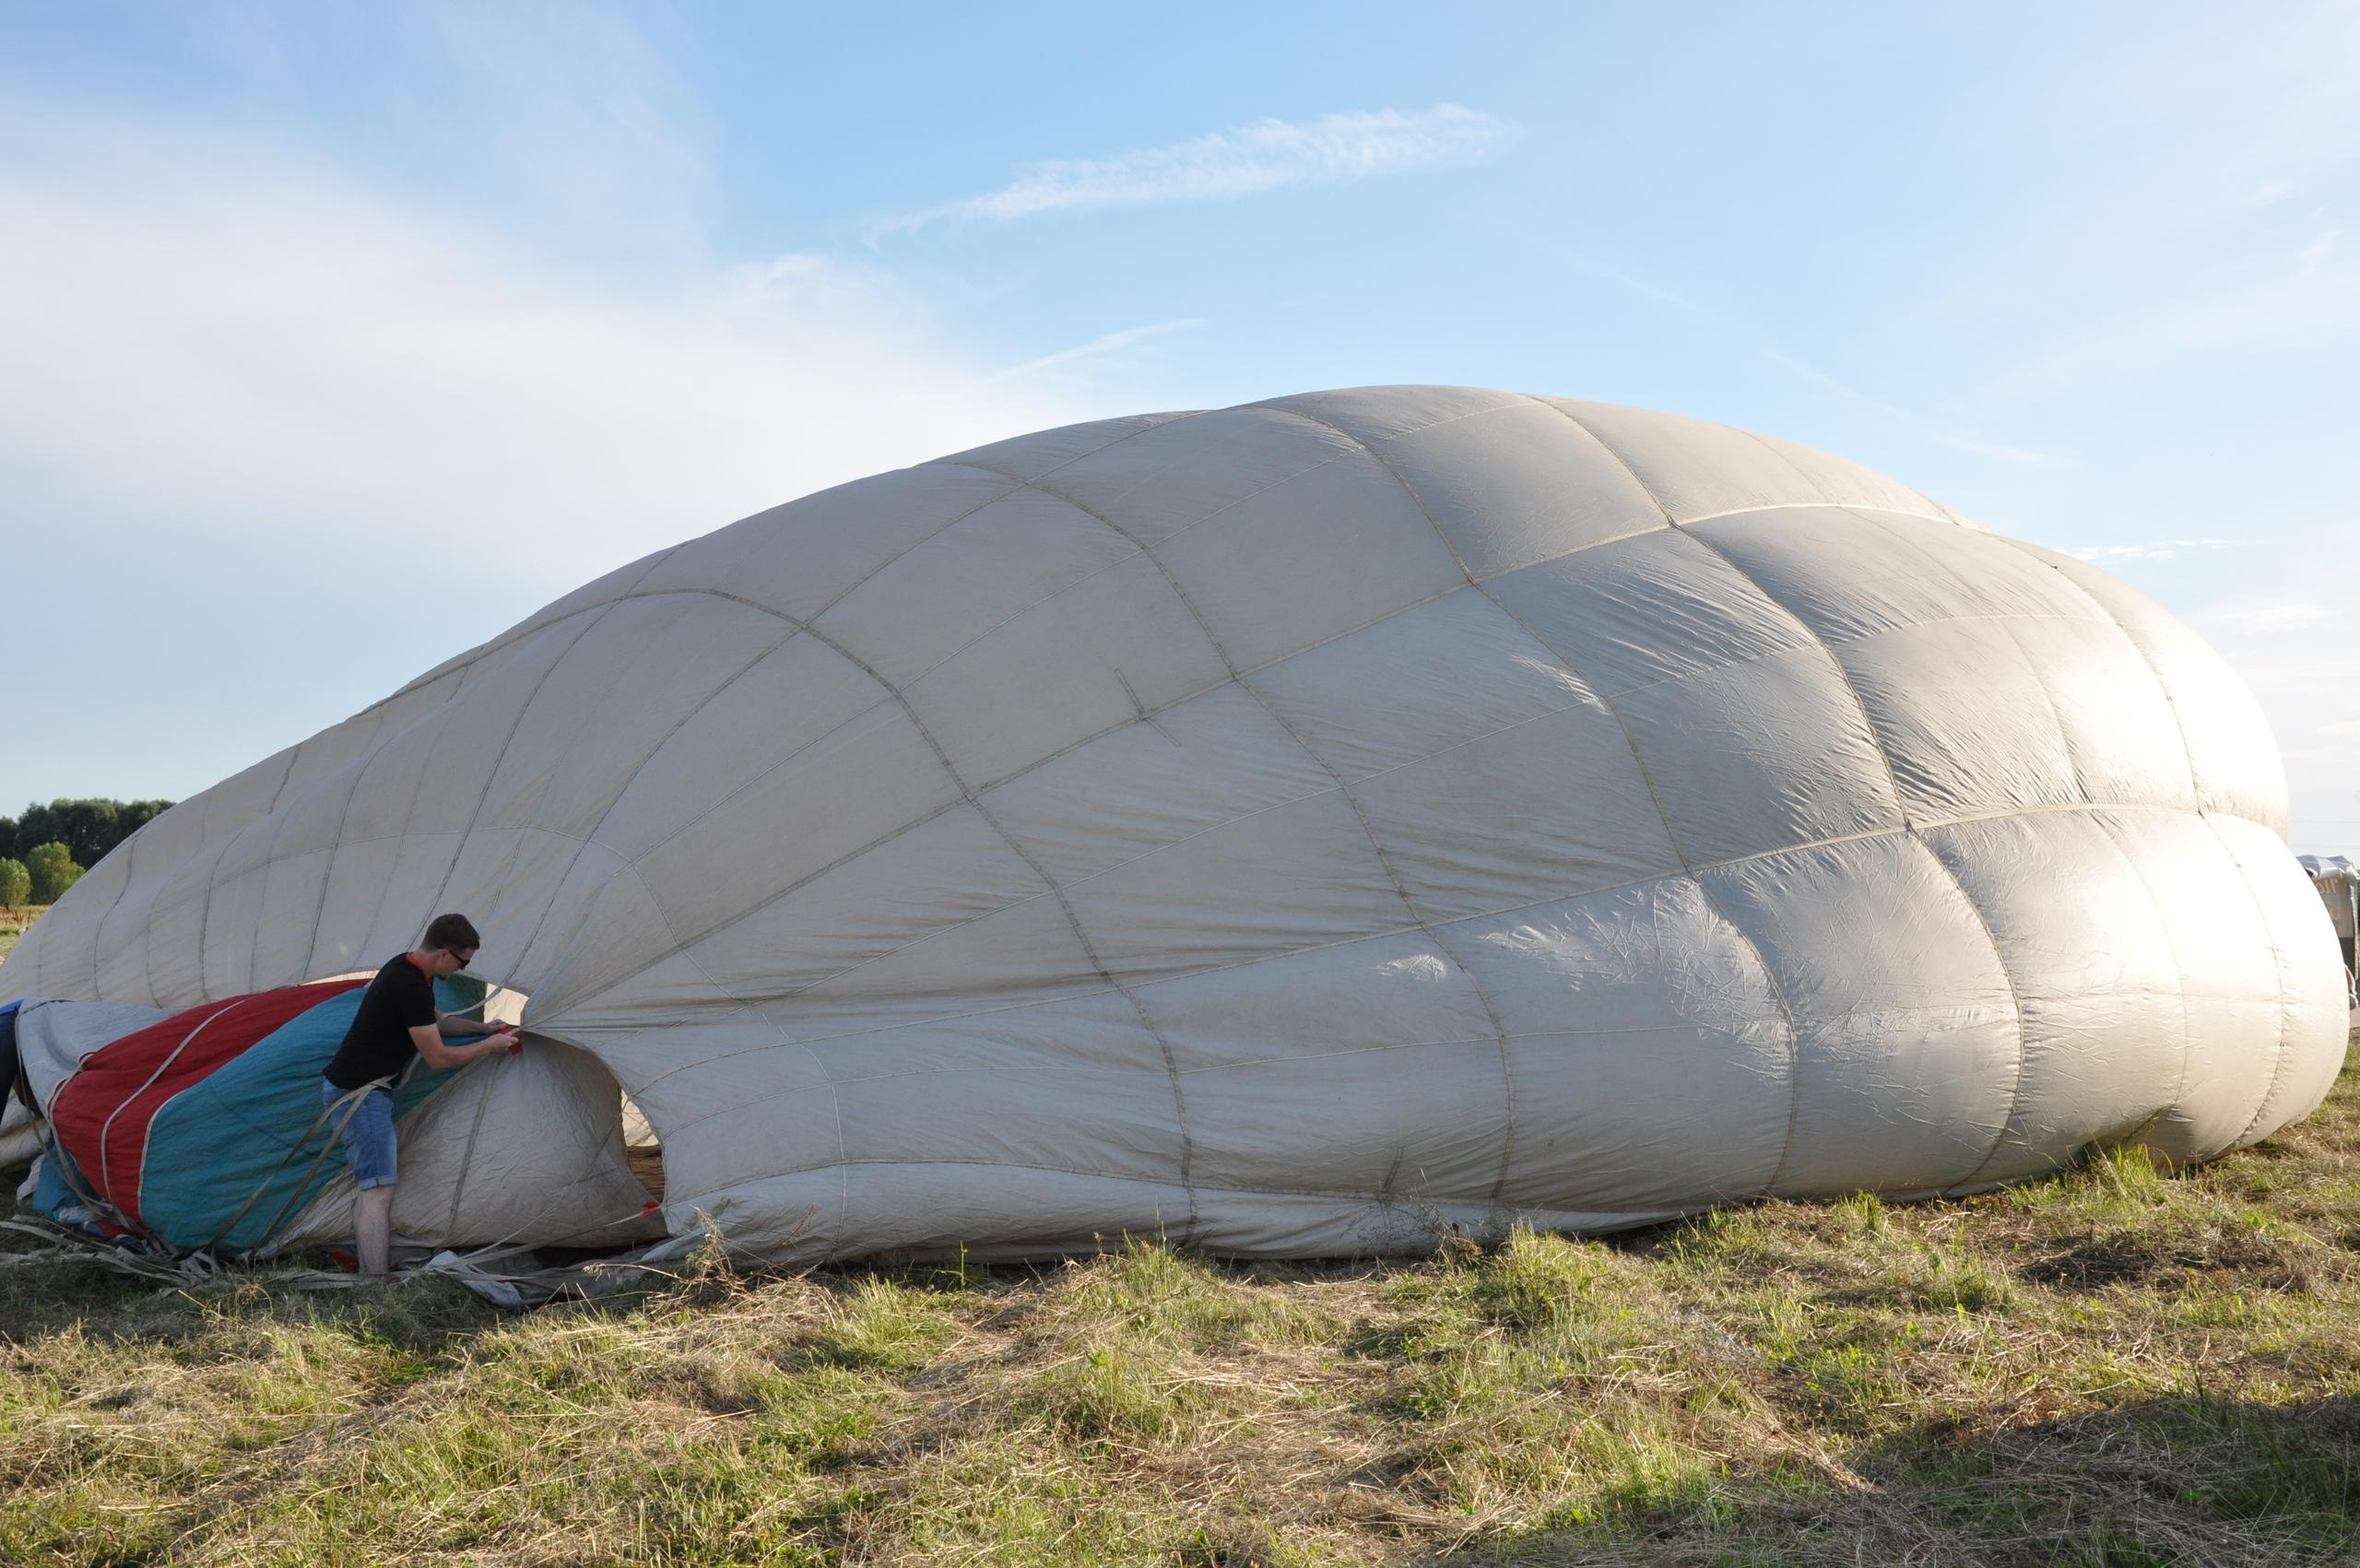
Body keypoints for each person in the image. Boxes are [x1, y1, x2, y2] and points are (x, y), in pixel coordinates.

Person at [321, 913, 517, 1277]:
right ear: (445, 954)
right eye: (463, 962)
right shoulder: (407, 983)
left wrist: (482, 1027)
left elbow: (436, 1021)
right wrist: (488, 1046)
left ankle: (371, 1275)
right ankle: (375, 1285)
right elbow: (438, 1057)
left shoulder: (409, 970)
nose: (462, 970)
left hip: (363, 1091)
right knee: (378, 1190)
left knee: (375, 1186)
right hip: (360, 1096)